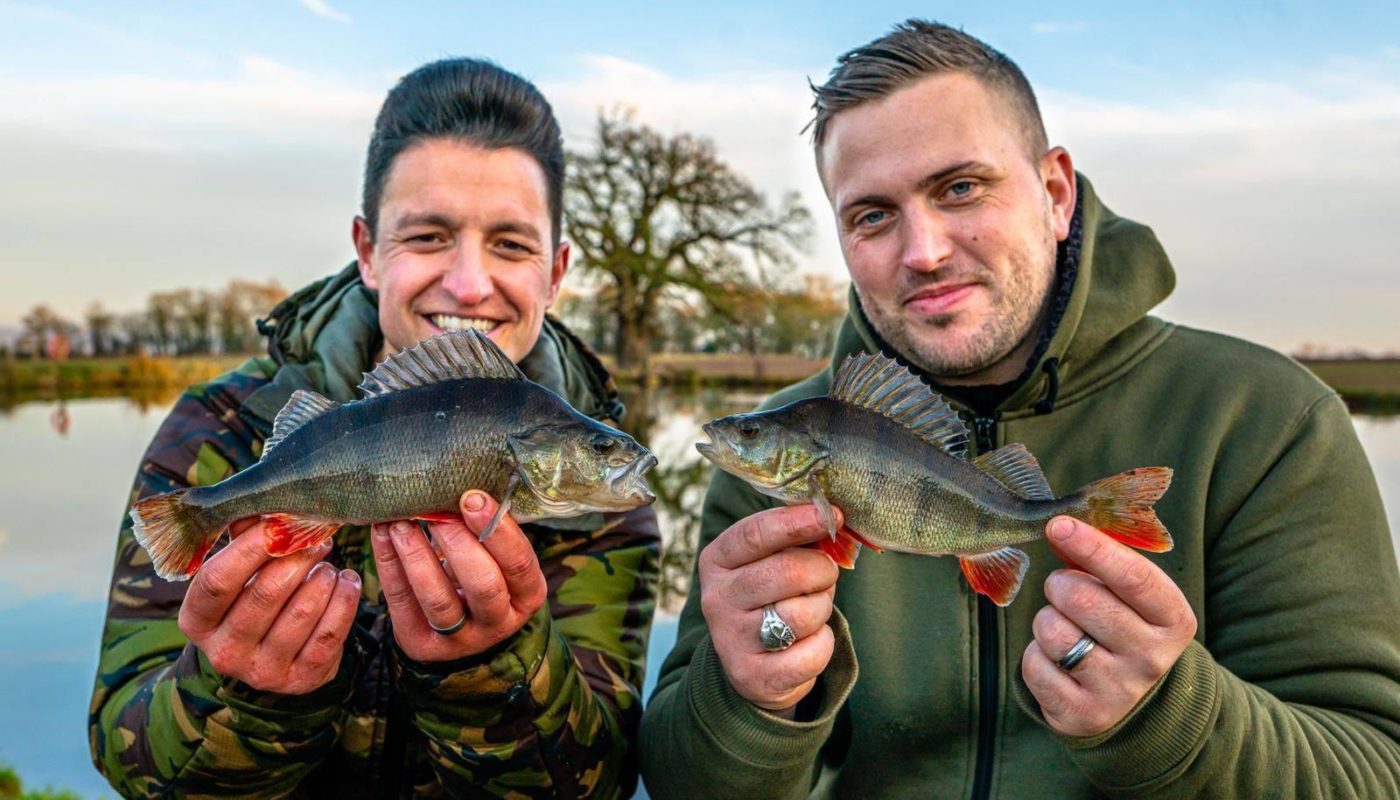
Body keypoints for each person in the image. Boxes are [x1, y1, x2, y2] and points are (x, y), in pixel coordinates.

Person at [640, 19, 1400, 799]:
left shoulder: (1269, 421)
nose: (924, 250)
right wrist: (747, 704)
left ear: (1057, 193)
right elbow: (678, 780)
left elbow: (1377, 770)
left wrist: (1171, 720)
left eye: (960, 188)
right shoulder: (776, 452)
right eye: (872, 215)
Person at [89, 58, 660, 798]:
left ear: (556, 272)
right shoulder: (215, 433)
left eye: (511, 245)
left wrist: (493, 673)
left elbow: (603, 781)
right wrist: (243, 694)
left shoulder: (605, 492)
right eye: (427, 236)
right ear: (367, 250)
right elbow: (127, 761)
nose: (467, 284)